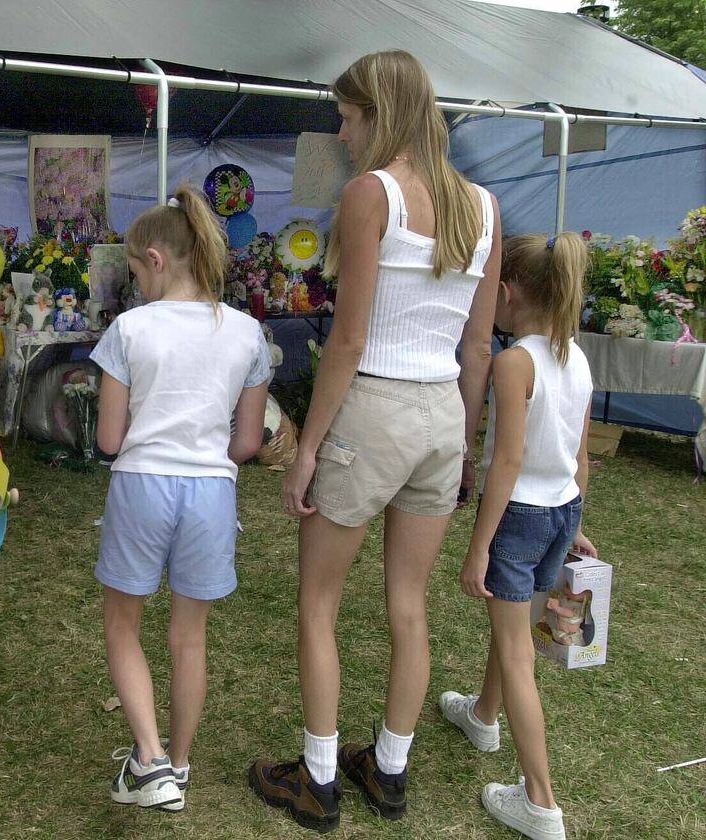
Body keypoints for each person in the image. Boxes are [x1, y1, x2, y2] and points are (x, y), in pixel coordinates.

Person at [248, 49, 502, 833]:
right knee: (408, 606)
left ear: (380, 112)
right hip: (439, 417)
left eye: (349, 115)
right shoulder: (483, 206)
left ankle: (319, 778)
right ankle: (388, 770)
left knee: (318, 603)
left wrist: (310, 445)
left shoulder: (372, 195)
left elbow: (350, 340)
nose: (342, 130)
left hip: (374, 410)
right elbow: (479, 348)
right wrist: (463, 445)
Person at [90, 184, 272, 813]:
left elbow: (110, 439)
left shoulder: (129, 328)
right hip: (212, 491)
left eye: (134, 269)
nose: (135, 281)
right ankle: (180, 765)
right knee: (189, 638)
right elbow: (247, 441)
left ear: (156, 260)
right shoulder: (247, 332)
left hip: (142, 483)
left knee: (123, 624)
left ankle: (148, 759)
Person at [440, 232, 594, 840]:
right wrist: (576, 522)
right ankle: (483, 716)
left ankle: (540, 802)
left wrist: (479, 545)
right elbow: (580, 455)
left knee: (517, 652)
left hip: (521, 518)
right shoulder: (576, 357)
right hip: (560, 512)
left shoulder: (513, 362)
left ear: (506, 294)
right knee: (513, 635)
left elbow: (504, 463)